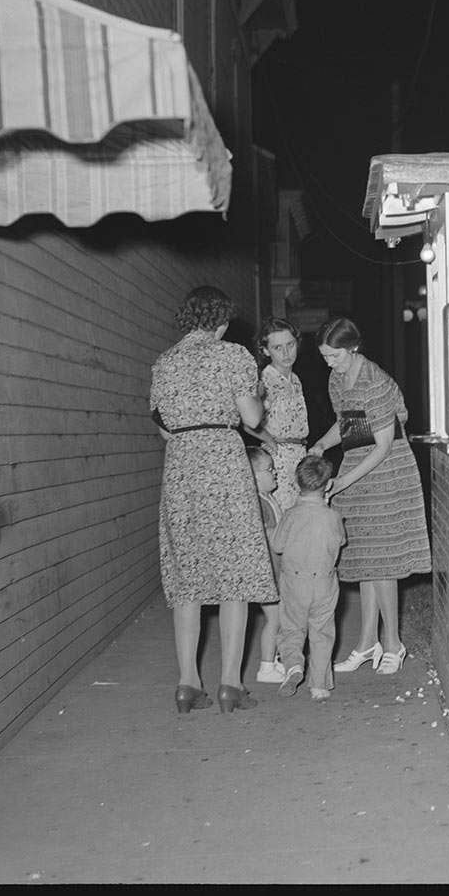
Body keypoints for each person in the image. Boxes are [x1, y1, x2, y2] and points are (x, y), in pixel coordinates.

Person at [151, 285, 278, 714]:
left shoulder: (164, 363)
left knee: (186, 578)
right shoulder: (234, 356)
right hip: (223, 463)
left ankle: (187, 684)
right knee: (235, 575)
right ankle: (230, 686)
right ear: (221, 320)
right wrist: (258, 393)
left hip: (181, 467)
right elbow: (252, 418)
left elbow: (163, 427)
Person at [310, 318, 432, 675]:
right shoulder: (337, 377)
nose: (329, 362)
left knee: (384, 561)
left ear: (353, 348)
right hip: (356, 459)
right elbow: (348, 424)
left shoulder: (374, 381)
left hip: (387, 468)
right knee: (364, 556)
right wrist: (322, 443)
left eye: (334, 355)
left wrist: (342, 481)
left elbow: (382, 445)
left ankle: (394, 644)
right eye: (324, 356)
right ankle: (367, 643)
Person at [245, 318, 309, 685]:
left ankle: (290, 641)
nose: (286, 353)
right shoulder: (264, 379)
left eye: (290, 345)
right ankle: (282, 648)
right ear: (266, 350)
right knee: (284, 541)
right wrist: (268, 441)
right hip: (280, 459)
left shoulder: (294, 378)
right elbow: (247, 417)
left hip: (298, 455)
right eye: (278, 347)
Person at [271, 455, 345, 701]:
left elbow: (278, 545)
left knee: (292, 627)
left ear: (295, 482)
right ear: (328, 484)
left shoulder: (291, 515)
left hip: (294, 580)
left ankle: (293, 665)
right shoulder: (333, 517)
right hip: (324, 581)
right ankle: (319, 685)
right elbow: (340, 542)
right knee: (322, 632)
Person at [247, 445, 286, 686]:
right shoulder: (258, 504)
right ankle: (266, 666)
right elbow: (269, 537)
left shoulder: (268, 499)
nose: (275, 474)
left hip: (276, 569)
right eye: (269, 470)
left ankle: (278, 660)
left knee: (281, 617)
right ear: (252, 476)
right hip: (268, 572)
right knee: (275, 619)